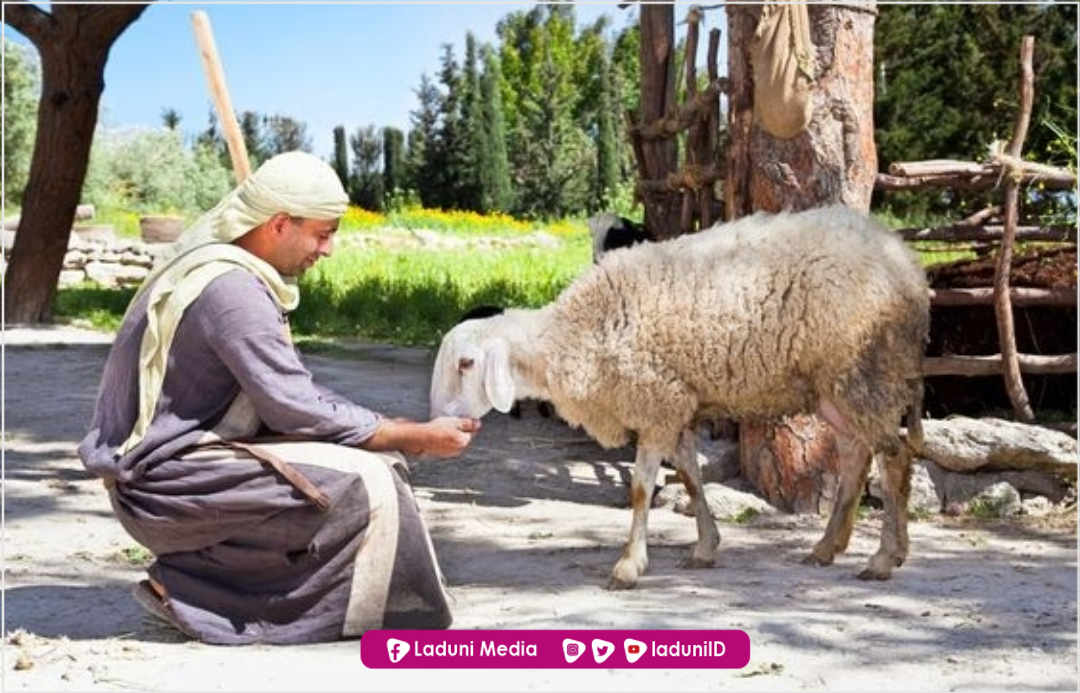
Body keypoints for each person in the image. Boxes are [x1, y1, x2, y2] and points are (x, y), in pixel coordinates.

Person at [77, 151, 480, 645]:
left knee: (377, 461)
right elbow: (292, 405)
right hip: (161, 484)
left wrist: (384, 432)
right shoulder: (232, 289)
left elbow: (288, 393)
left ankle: (222, 582)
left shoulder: (224, 270)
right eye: (322, 233)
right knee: (364, 483)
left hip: (174, 469)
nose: (327, 249)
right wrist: (404, 432)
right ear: (281, 224)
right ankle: (194, 592)